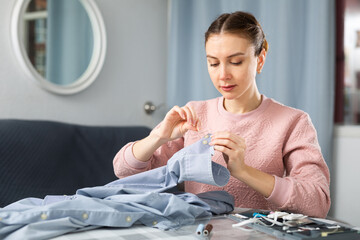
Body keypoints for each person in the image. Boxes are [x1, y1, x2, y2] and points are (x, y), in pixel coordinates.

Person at [113, 11, 330, 218]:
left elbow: (317, 201)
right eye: (213, 63)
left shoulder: (293, 122)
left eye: (236, 62)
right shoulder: (194, 114)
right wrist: (158, 137)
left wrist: (243, 171)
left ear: (260, 59)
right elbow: (125, 173)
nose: (223, 75)